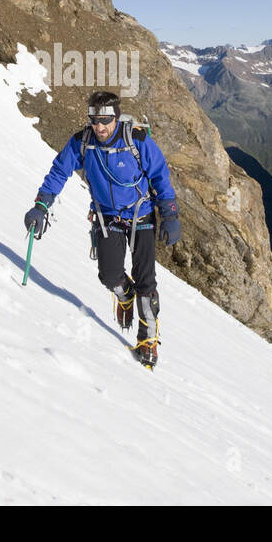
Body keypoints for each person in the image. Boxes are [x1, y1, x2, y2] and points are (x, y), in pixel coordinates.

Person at [23, 91, 180, 367]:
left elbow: (159, 175)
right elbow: (60, 171)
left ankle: (148, 340)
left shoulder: (137, 141)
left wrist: (169, 214)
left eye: (105, 121)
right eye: (95, 121)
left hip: (141, 214)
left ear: (116, 118)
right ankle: (125, 295)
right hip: (107, 217)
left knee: (146, 280)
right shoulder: (82, 142)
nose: (100, 127)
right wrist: (42, 204)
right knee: (109, 276)